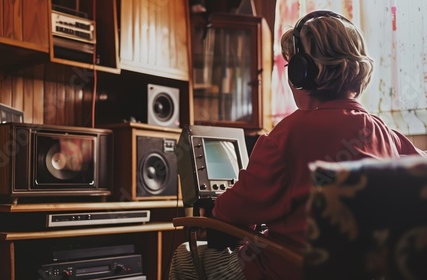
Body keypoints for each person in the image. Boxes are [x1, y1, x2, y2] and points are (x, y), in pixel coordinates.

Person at [169, 10, 427, 280]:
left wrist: (222, 209)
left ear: (301, 73)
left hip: (289, 270)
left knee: (186, 255)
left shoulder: (287, 134)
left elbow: (231, 213)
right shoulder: (385, 132)